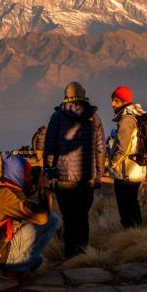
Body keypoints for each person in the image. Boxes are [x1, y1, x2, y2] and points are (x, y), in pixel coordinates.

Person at [43, 82, 106, 258]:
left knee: (69, 218)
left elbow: (50, 148)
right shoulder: (94, 117)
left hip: (64, 179)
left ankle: (70, 255)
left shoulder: (57, 117)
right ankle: (83, 253)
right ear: (83, 95)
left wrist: (50, 173)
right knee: (83, 217)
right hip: (87, 178)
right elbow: (101, 149)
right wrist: (99, 175)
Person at [0, 154, 61, 277]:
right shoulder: (7, 196)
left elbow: (26, 206)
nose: (30, 177)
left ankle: (18, 265)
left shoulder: (1, 187)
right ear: (17, 174)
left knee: (37, 260)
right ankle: (15, 268)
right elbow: (42, 217)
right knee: (52, 219)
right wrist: (44, 188)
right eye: (27, 174)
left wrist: (35, 187)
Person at [109, 85, 147, 228]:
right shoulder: (138, 116)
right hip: (137, 169)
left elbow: (122, 147)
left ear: (124, 101)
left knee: (126, 208)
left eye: (116, 100)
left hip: (126, 171)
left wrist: (112, 164)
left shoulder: (126, 119)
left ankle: (130, 236)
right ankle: (137, 234)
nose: (112, 104)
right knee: (132, 204)